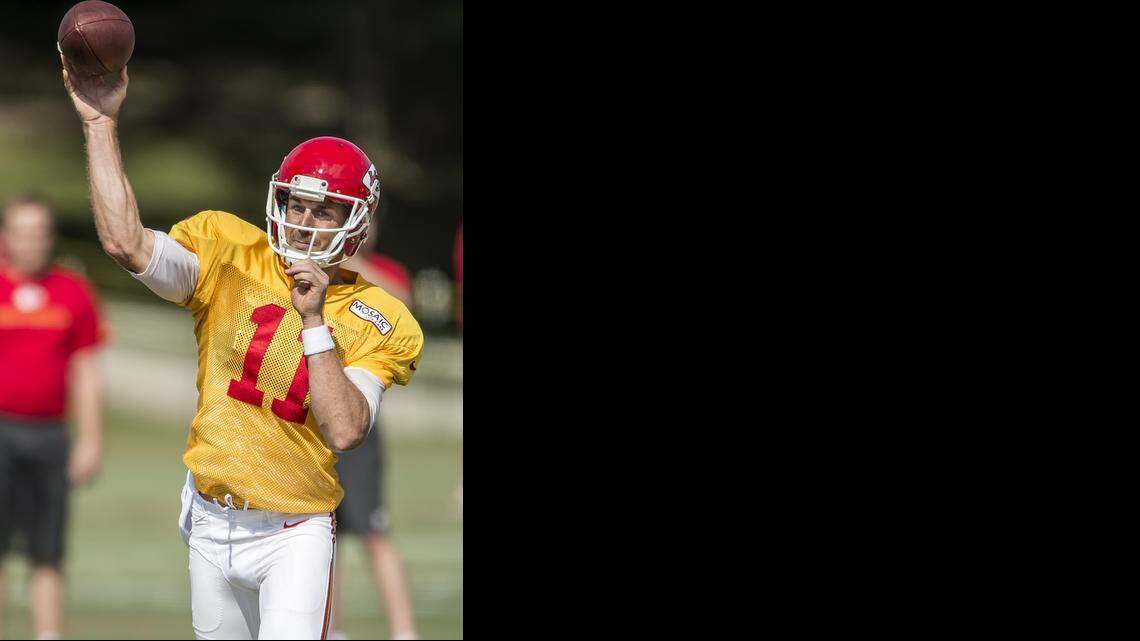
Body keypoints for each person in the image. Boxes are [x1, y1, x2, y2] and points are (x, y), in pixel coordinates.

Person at [61, 58, 424, 641]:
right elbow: (125, 244)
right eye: (297, 204)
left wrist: (313, 321)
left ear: (353, 224)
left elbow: (344, 430)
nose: (304, 222)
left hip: (294, 531)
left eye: (324, 209)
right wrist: (99, 122)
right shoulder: (229, 252)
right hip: (209, 519)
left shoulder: (380, 317)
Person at [0, 196, 105, 641]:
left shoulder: (73, 292)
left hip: (49, 436)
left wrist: (90, 440)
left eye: (39, 232)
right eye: (21, 232)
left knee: (48, 548)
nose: (31, 242)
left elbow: (86, 370)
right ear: (5, 236)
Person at [330, 219, 419, 640]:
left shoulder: (379, 273)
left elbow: (403, 300)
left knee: (373, 532)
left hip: (360, 428)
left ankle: (404, 632)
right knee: (321, 536)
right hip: (313, 427)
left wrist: (354, 261)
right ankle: (332, 628)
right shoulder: (321, 275)